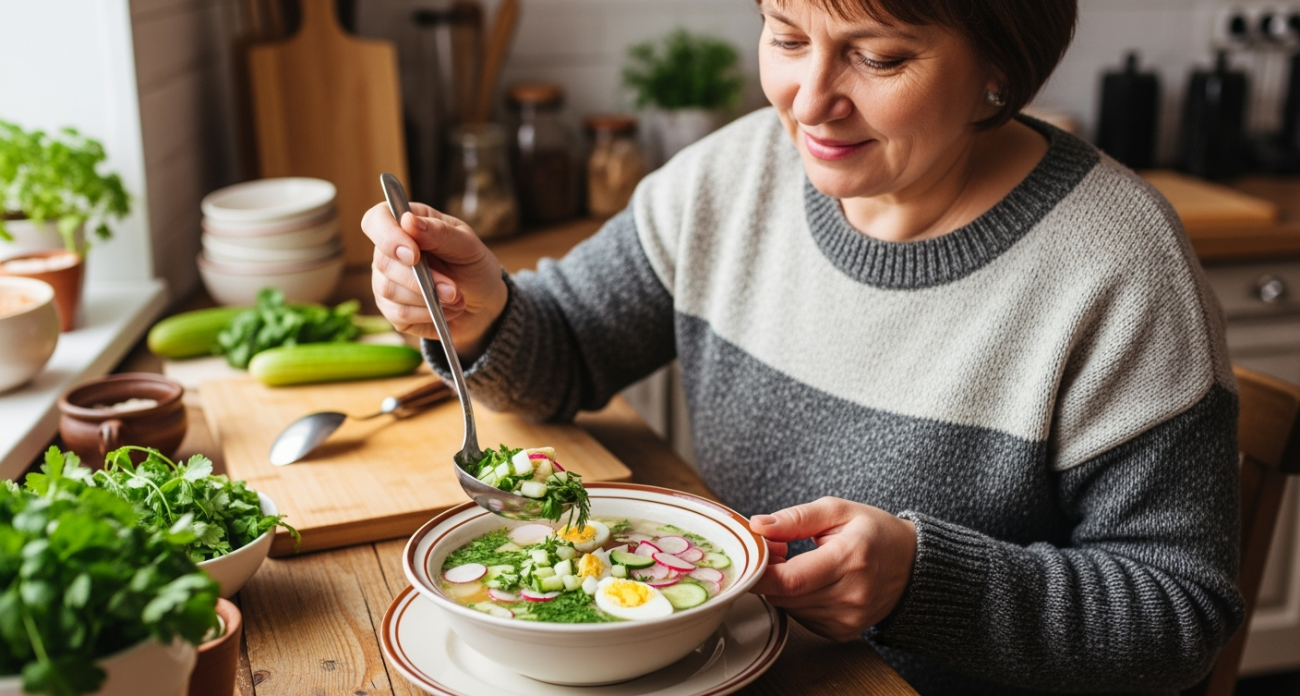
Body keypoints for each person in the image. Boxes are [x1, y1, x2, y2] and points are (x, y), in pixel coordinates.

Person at [362, 0, 1244, 693]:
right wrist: (478, 309)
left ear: (1000, 71)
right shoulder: (729, 178)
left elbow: (1178, 614)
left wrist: (924, 583)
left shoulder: (1118, 263)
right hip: (742, 673)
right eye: (785, 36)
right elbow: (563, 346)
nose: (809, 99)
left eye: (879, 56)